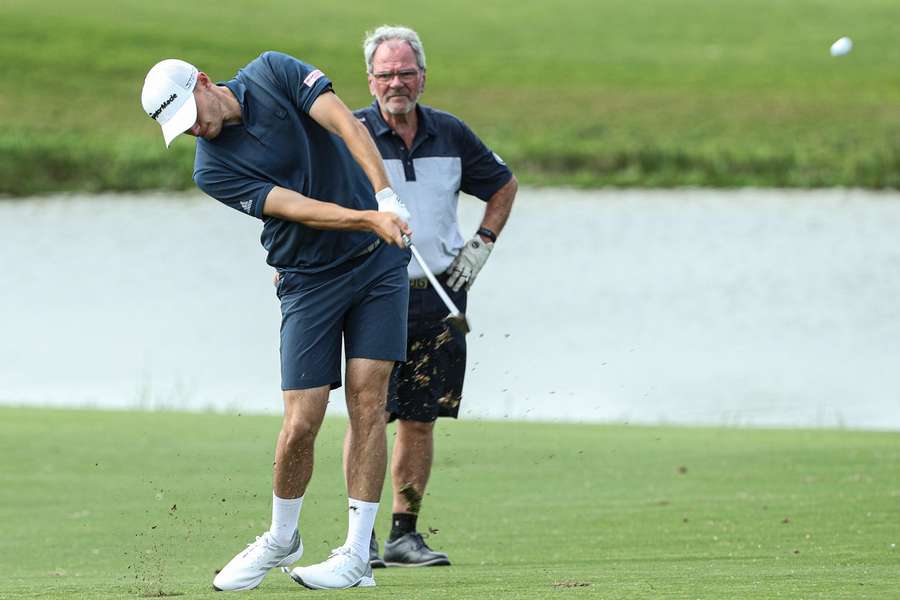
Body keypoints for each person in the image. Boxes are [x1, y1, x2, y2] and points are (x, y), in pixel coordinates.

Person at [140, 51, 413, 591]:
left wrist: (384, 192)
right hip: (307, 279)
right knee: (301, 422)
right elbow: (295, 207)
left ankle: (357, 554)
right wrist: (369, 217)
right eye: (181, 127)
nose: (194, 129)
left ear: (202, 80)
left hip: (377, 267)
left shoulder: (272, 72)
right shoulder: (210, 167)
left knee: (367, 399)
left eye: (191, 113)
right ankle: (282, 537)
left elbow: (343, 121)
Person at [352, 26, 518, 568]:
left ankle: (404, 534)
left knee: (421, 418)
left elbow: (502, 184)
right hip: (373, 292)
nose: (395, 83)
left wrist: (482, 245)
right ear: (370, 80)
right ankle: (361, 539)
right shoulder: (349, 135)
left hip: (441, 295)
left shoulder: (449, 133)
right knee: (369, 414)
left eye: (405, 72)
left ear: (422, 77)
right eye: (385, 74)